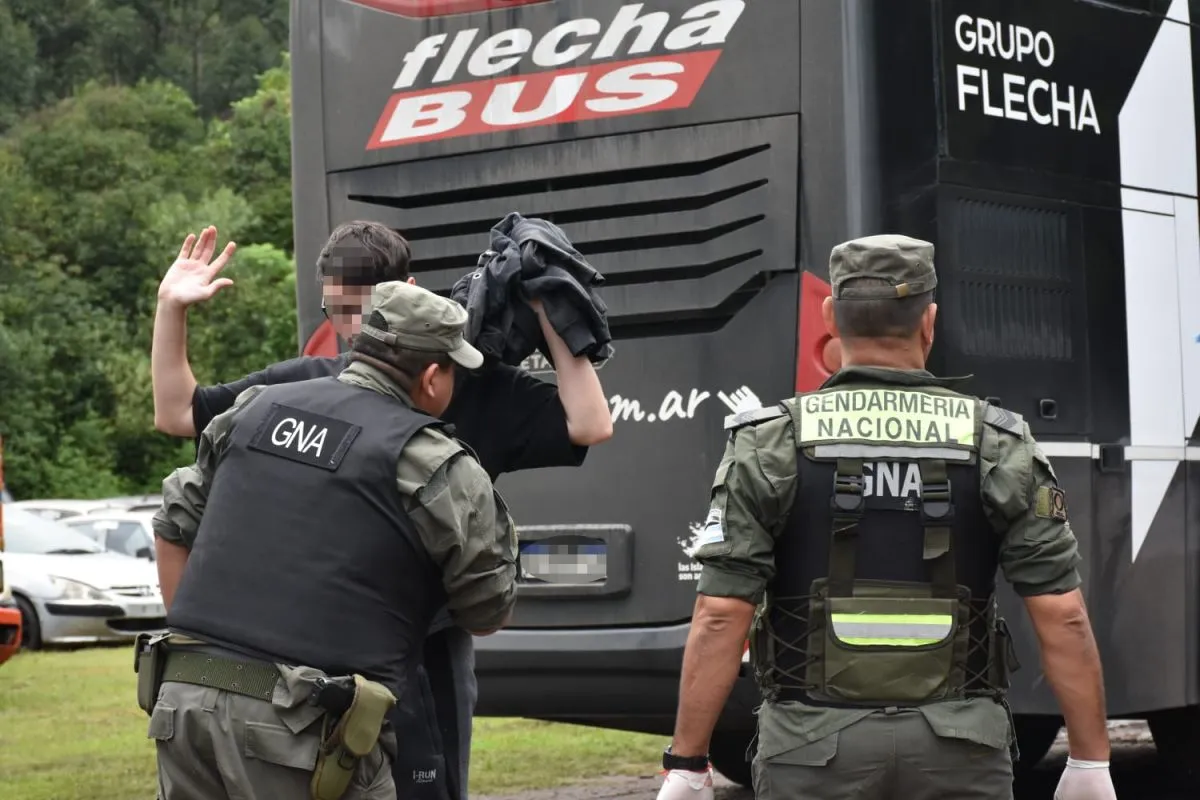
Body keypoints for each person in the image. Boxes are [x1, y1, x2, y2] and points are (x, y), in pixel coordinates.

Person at [150, 221, 612, 800]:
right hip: (306, 660)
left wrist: (553, 311)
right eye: (337, 309)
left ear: (406, 293)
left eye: (365, 308)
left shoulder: (467, 380)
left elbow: (590, 424)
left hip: (421, 654)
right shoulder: (297, 387)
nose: (352, 327)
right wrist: (171, 308)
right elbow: (177, 416)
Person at [654, 235, 1117, 800]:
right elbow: (1063, 615)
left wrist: (688, 763)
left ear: (831, 317)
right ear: (930, 320)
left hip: (811, 749)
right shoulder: (997, 442)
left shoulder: (770, 442)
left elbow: (722, 615)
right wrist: (1091, 763)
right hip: (960, 750)